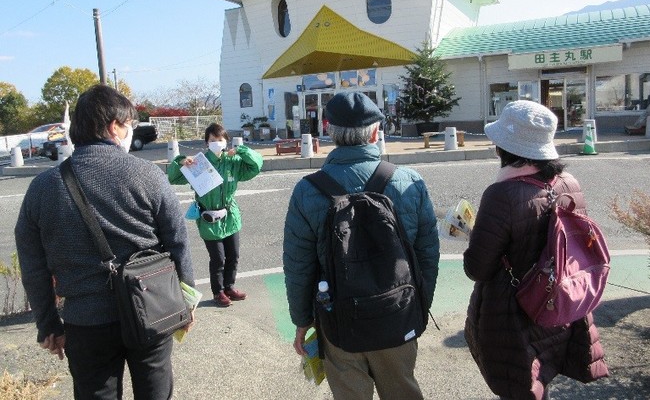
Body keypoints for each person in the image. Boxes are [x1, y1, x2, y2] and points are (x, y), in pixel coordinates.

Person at [15, 84, 195, 400]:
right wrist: (185, 304)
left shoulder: (42, 188)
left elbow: (33, 264)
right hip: (152, 308)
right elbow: (177, 241)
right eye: (129, 126)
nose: (130, 133)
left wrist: (48, 325)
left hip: (84, 322)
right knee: (155, 391)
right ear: (114, 127)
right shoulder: (148, 175)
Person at [283, 92, 439, 399]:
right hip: (398, 314)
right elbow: (427, 256)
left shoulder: (307, 190)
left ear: (329, 131)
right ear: (374, 132)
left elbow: (298, 266)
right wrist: (417, 309)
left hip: (338, 322)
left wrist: (302, 321)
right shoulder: (409, 181)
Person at [463, 100, 609, 400]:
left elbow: (476, 268)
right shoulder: (568, 183)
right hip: (561, 304)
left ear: (505, 147)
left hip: (515, 315)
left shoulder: (502, 194)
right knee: (544, 381)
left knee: (522, 386)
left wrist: (473, 235)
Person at [168, 122, 263, 307]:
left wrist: (242, 151)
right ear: (206, 143)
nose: (216, 143)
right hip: (209, 218)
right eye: (212, 140)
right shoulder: (199, 162)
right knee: (218, 258)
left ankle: (229, 287)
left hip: (230, 215)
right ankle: (218, 292)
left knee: (233, 255)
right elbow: (173, 178)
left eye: (220, 140)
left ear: (226, 141)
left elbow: (256, 165)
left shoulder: (232, 162)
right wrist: (180, 160)